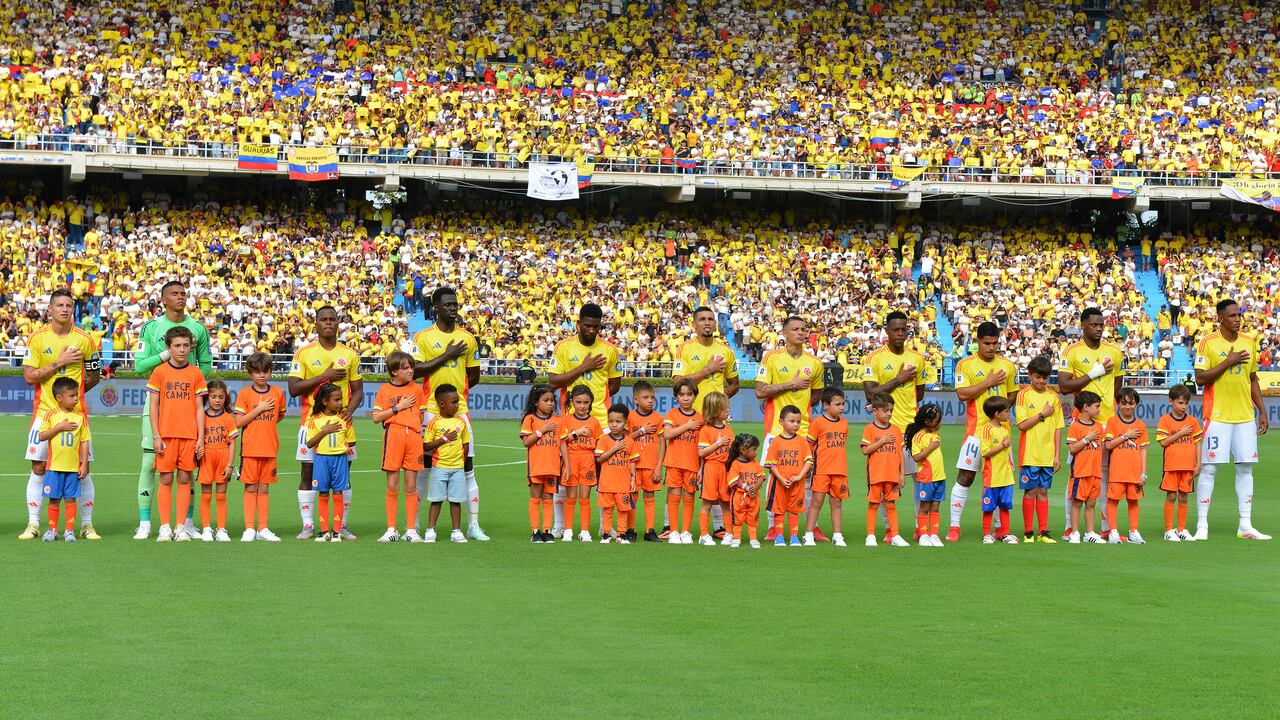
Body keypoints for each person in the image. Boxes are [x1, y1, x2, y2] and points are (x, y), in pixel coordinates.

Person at [133, 280, 212, 541]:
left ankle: (186, 523)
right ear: (163, 299)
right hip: (157, 408)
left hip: (188, 408)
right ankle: (146, 523)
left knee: (188, 469)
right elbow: (139, 366)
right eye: (175, 294)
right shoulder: (150, 327)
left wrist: (192, 381)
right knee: (149, 464)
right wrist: (165, 358)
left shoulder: (198, 328)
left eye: (183, 293)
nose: (181, 297)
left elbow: (206, 364)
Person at [20, 290, 101, 541]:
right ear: (50, 310)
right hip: (43, 413)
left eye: (69, 305)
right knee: (39, 467)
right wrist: (59, 361)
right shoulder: (36, 338)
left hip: (77, 416)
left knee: (82, 469)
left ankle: (86, 525)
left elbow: (95, 375)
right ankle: (34, 524)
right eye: (60, 305)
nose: (65, 309)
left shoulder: (86, 340)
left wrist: (72, 398)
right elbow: (29, 376)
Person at [411, 287, 487, 541]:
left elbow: (473, 375)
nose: (453, 308)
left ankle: (473, 525)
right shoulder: (423, 337)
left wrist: (454, 399)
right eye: (448, 305)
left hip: (460, 412)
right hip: (430, 411)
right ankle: (416, 526)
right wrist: (447, 355)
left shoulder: (468, 338)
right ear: (436, 308)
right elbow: (416, 371)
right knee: (424, 468)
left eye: (455, 304)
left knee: (467, 466)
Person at [1193, 299, 1270, 540]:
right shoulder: (1208, 343)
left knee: (1246, 468)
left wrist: (1262, 410)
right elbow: (1200, 378)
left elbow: (1253, 379)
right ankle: (1202, 525)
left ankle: (1245, 525)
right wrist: (1229, 360)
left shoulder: (1249, 342)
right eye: (1233, 315)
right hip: (1216, 416)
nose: (1238, 319)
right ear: (1221, 318)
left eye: (1239, 315)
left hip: (1245, 417)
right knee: (1209, 468)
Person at [288, 306, 363, 541]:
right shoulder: (304, 353)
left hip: (341, 426)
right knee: (307, 472)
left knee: (344, 474)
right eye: (323, 319)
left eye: (332, 319)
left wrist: (348, 411)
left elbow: (358, 391)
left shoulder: (350, 354)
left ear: (338, 323)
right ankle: (309, 525)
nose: (328, 323)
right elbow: (293, 389)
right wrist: (325, 376)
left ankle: (342, 525)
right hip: (310, 423)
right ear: (316, 324)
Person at [547, 303, 622, 535]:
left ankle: (603, 526)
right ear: (578, 324)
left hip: (600, 421)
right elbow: (553, 381)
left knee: (604, 474)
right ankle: (561, 526)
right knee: (565, 471)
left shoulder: (610, 350)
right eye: (587, 326)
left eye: (596, 327)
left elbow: (614, 384)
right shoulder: (563, 347)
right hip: (568, 420)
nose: (592, 330)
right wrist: (584, 367)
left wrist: (596, 404)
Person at [672, 305, 740, 537]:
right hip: (690, 418)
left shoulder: (726, 351)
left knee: (717, 471)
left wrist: (719, 405)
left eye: (711, 319)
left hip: (715, 423)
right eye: (702, 319)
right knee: (683, 471)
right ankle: (670, 526)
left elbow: (734, 383)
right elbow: (678, 383)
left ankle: (719, 526)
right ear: (694, 324)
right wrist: (707, 370)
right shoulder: (685, 349)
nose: (707, 322)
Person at [1056, 307, 1125, 538]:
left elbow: (1117, 386)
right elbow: (1064, 387)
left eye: (1101, 325)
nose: (1098, 328)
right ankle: (1070, 526)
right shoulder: (1071, 351)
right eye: (1094, 324)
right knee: (1077, 476)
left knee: (1106, 476)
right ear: (1083, 325)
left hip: (1108, 422)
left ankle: (1105, 528)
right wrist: (1093, 374)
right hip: (1083, 424)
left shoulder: (1114, 352)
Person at [946, 321, 1017, 542]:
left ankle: (998, 529)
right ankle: (954, 526)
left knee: (999, 481)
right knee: (965, 477)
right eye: (987, 343)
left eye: (995, 343)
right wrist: (988, 382)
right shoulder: (965, 365)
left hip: (1002, 436)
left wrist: (1000, 410)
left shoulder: (1008, 365)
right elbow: (962, 394)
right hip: (975, 434)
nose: (991, 348)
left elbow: (1013, 394)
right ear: (977, 342)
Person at [755, 316, 824, 539]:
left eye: (804, 329)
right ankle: (773, 526)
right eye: (795, 329)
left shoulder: (814, 363)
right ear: (784, 334)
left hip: (804, 430)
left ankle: (808, 527)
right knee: (775, 476)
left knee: (805, 477)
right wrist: (790, 385)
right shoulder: (771, 358)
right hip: (776, 429)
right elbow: (760, 390)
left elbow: (817, 394)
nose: (801, 333)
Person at [861, 311, 928, 538]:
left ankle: (921, 527)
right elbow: (870, 394)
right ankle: (890, 529)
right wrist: (898, 380)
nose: (900, 333)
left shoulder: (917, 359)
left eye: (904, 329)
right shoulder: (874, 358)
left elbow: (919, 394)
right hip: (885, 431)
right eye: (895, 329)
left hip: (912, 430)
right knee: (884, 482)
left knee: (921, 480)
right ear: (887, 331)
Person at [146, 326, 207, 542]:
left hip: (189, 436)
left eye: (186, 346)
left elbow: (200, 408)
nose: (182, 350)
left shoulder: (196, 373)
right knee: (164, 479)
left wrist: (200, 437)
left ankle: (181, 527)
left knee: (184, 478)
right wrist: (156, 435)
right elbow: (154, 406)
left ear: (191, 347)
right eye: (177, 346)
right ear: (168, 348)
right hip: (166, 435)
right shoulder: (160, 372)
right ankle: (164, 527)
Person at [371, 351, 428, 543]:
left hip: (413, 437)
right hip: (393, 435)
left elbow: (421, 416)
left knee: (411, 485)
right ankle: (391, 529)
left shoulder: (417, 389)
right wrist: (399, 407)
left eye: (411, 366)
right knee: (392, 484)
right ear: (394, 371)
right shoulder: (384, 390)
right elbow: (376, 417)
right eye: (405, 367)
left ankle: (411, 530)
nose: (410, 370)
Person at [233, 352, 288, 542]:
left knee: (264, 488)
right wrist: (259, 409)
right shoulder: (244, 394)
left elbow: (279, 416)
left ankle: (263, 528)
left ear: (271, 372)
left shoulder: (278, 393)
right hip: (249, 449)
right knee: (250, 487)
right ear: (250, 373)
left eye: (266, 371)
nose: (262, 375)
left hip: (270, 448)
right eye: (257, 372)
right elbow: (238, 422)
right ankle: (249, 528)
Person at [1015, 356, 1063, 544]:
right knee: (1030, 491)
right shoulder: (1023, 394)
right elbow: (1022, 425)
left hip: (1048, 454)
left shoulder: (1053, 397)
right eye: (1037, 377)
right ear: (1030, 375)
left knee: (1043, 492)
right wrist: (1042, 414)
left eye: (1045, 378)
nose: (1041, 381)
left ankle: (1043, 532)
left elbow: (1058, 427)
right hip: (1029, 453)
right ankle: (1028, 532)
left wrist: (1057, 455)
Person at [36, 377, 90, 542]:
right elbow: (42, 435)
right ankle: (52, 530)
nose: (76, 398)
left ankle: (69, 531)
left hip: (72, 467)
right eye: (72, 395)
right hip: (53, 467)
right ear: (59, 398)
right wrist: (60, 427)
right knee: (53, 500)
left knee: (70, 499)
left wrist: (84, 464)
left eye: (76, 395)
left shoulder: (80, 417)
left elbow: (84, 441)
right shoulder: (51, 415)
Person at [306, 384, 358, 543]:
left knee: (338, 494)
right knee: (322, 494)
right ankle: (323, 531)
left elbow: (352, 441)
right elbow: (309, 443)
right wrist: (325, 431)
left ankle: (336, 531)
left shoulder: (345, 419)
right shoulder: (315, 420)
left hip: (340, 460)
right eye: (337, 400)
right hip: (322, 460)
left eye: (341, 399)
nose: (340, 403)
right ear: (325, 401)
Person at [422, 384, 473, 543]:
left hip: (457, 468)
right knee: (436, 500)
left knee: (455, 500)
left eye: (457, 402)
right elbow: (426, 446)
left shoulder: (461, 422)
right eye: (453, 402)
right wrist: (444, 439)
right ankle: (430, 530)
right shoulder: (434, 423)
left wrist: (463, 458)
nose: (457, 405)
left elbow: (466, 443)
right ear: (442, 404)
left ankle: (456, 531)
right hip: (440, 467)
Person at [804, 387, 850, 548]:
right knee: (816, 502)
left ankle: (837, 535)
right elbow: (809, 445)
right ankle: (808, 534)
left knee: (837, 502)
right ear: (825, 405)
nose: (842, 407)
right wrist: (809, 466)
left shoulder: (844, 423)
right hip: (822, 469)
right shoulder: (818, 423)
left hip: (840, 470)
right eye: (837, 404)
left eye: (843, 404)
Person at [558, 384, 603, 542]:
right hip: (571, 458)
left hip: (587, 459)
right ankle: (568, 530)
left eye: (585, 402)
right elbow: (562, 441)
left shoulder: (595, 422)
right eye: (578, 402)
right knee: (571, 496)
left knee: (585, 497)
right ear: (572, 402)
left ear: (590, 402)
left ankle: (585, 531)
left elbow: (599, 445)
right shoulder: (566, 420)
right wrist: (576, 433)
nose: (582, 406)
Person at [861, 394, 907, 548]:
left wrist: (902, 474)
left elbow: (900, 454)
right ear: (875, 411)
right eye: (885, 410)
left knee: (891, 505)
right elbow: (865, 450)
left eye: (891, 410)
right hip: (875, 475)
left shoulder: (896, 429)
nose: (888, 413)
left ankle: (895, 535)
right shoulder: (869, 429)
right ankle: (870, 535)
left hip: (892, 475)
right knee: (873, 505)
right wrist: (882, 441)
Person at [1157, 384, 1202, 542]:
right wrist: (1181, 433)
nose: (1183, 406)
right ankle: (1169, 530)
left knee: (1184, 497)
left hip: (1188, 467)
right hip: (1171, 466)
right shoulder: (1165, 420)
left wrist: (1198, 464)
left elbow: (1197, 443)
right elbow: (1163, 443)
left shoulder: (1192, 421)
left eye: (1186, 403)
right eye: (1180, 403)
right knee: (1171, 496)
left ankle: (1181, 529)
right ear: (1171, 402)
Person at [1103, 387, 1149, 544]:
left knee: (1133, 501)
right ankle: (1113, 532)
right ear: (1117, 404)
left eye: (1131, 403)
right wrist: (1126, 436)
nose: (1127, 406)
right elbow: (1108, 445)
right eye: (1123, 403)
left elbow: (1143, 450)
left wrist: (1143, 473)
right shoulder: (1112, 422)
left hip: (1135, 472)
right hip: (1117, 471)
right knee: (1113, 500)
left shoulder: (1141, 425)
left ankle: (1134, 531)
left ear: (1136, 404)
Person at [765, 404, 814, 547]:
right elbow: (771, 464)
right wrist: (780, 478)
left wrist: (800, 476)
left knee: (794, 510)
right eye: (792, 421)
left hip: (796, 484)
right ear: (781, 422)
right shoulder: (775, 441)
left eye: (798, 422)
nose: (796, 425)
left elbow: (808, 461)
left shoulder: (802, 442)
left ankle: (794, 537)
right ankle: (779, 537)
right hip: (779, 483)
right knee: (779, 510)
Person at [662, 379, 703, 544]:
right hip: (674, 463)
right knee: (674, 495)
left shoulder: (700, 418)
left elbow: (703, 444)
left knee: (689, 497)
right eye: (682, 395)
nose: (686, 398)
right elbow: (667, 434)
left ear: (694, 396)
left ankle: (686, 531)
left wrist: (701, 468)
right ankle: (673, 531)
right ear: (676, 397)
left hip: (692, 464)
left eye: (689, 394)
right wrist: (687, 426)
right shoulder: (672, 413)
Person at [197, 380, 238, 542]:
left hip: (223, 459)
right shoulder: (201, 417)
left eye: (221, 397)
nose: (217, 400)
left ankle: (221, 529)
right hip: (206, 459)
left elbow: (232, 443)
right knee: (206, 495)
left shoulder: (228, 418)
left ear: (225, 398)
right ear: (207, 397)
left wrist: (230, 464)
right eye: (213, 396)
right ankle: (206, 528)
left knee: (221, 496)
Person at [519, 384, 560, 543]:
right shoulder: (530, 419)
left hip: (552, 466)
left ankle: (547, 531)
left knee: (548, 498)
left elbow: (562, 442)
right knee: (536, 497)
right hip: (536, 467)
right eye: (546, 400)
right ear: (536, 402)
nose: (550, 403)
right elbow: (526, 442)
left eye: (552, 400)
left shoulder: (557, 420)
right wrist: (542, 430)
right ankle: (535, 531)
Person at [596, 403, 639, 544]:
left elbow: (632, 462)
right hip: (607, 484)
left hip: (623, 483)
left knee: (623, 510)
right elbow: (599, 458)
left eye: (618, 421)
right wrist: (614, 448)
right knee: (607, 510)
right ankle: (606, 534)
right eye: (610, 421)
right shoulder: (603, 440)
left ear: (625, 422)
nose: (614, 425)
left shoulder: (630, 441)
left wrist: (633, 480)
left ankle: (621, 534)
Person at [1066, 392, 1106, 544]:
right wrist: (1086, 439)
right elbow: (1073, 449)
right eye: (1096, 406)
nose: (1099, 410)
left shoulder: (1098, 427)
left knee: (1091, 503)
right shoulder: (1075, 426)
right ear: (1085, 407)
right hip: (1080, 473)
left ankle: (1090, 533)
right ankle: (1074, 532)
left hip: (1095, 472)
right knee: (1077, 503)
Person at [696, 391, 734, 546]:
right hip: (711, 469)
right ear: (716, 411)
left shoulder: (728, 430)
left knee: (726, 503)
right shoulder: (706, 430)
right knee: (708, 503)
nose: (728, 411)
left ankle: (729, 534)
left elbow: (733, 452)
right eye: (725, 409)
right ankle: (703, 535)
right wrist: (718, 443)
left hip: (725, 470)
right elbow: (701, 452)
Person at [627, 380, 664, 543]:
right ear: (636, 400)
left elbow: (663, 444)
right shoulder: (630, 417)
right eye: (646, 397)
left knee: (650, 497)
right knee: (632, 497)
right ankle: (630, 530)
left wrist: (659, 467)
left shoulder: (658, 418)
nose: (650, 400)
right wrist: (641, 431)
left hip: (651, 465)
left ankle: (650, 530)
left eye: (652, 398)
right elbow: (625, 439)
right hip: (633, 465)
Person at [978, 396, 1017, 544]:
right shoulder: (987, 429)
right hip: (992, 476)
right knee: (988, 506)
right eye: (1006, 411)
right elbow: (985, 452)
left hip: (1006, 476)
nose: (1009, 414)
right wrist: (1002, 445)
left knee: (1005, 505)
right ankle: (986, 534)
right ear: (997, 413)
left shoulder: (1005, 428)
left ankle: (1005, 533)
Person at [906, 403, 945, 547]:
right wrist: (930, 448)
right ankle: (923, 534)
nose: (939, 424)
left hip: (940, 476)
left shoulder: (934, 434)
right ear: (927, 422)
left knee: (935, 505)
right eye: (936, 421)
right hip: (927, 477)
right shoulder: (918, 437)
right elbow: (916, 457)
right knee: (924, 506)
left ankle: (934, 534)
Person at [726, 434, 766, 548]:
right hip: (739, 497)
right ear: (743, 450)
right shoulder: (736, 464)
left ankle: (753, 539)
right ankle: (736, 538)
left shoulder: (755, 463)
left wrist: (756, 485)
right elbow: (734, 480)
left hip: (754, 497)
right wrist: (747, 487)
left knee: (752, 518)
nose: (756, 452)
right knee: (737, 519)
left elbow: (761, 476)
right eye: (754, 449)